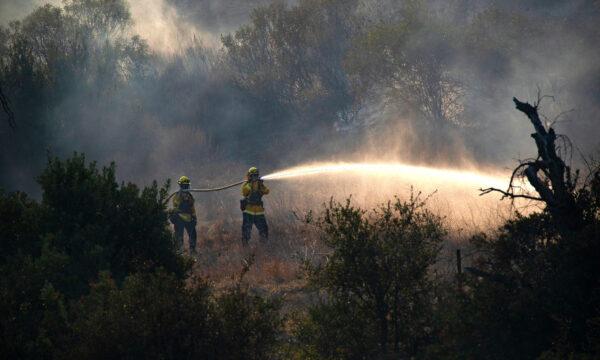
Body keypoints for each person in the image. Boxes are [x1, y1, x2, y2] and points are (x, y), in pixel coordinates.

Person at [241, 167, 269, 245]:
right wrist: (250, 183)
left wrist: (261, 184)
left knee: (264, 230)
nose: (255, 177)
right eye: (253, 176)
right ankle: (245, 248)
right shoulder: (246, 184)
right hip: (248, 212)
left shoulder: (260, 185)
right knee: (246, 231)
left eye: (256, 175)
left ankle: (264, 247)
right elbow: (244, 192)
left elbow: (267, 191)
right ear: (249, 176)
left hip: (259, 212)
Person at [169, 175, 197, 255]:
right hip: (179, 219)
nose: (186, 187)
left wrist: (194, 218)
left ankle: (192, 251)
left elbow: (192, 207)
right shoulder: (177, 195)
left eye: (187, 185)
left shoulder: (189, 196)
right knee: (179, 236)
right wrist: (184, 200)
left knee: (193, 235)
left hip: (189, 219)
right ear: (180, 186)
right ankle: (179, 252)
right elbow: (176, 206)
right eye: (184, 185)